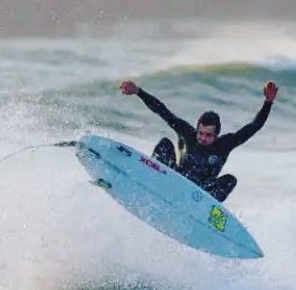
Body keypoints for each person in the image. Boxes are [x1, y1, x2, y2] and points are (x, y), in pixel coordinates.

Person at [119, 79, 278, 202]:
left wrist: (268, 102)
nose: (202, 138)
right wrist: (138, 91)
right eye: (200, 133)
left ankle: (205, 211)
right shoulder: (188, 133)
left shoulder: (225, 145)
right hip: (176, 178)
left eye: (208, 135)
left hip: (201, 193)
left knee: (230, 180)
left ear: (216, 135)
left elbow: (254, 126)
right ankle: (153, 182)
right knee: (165, 144)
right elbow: (162, 110)